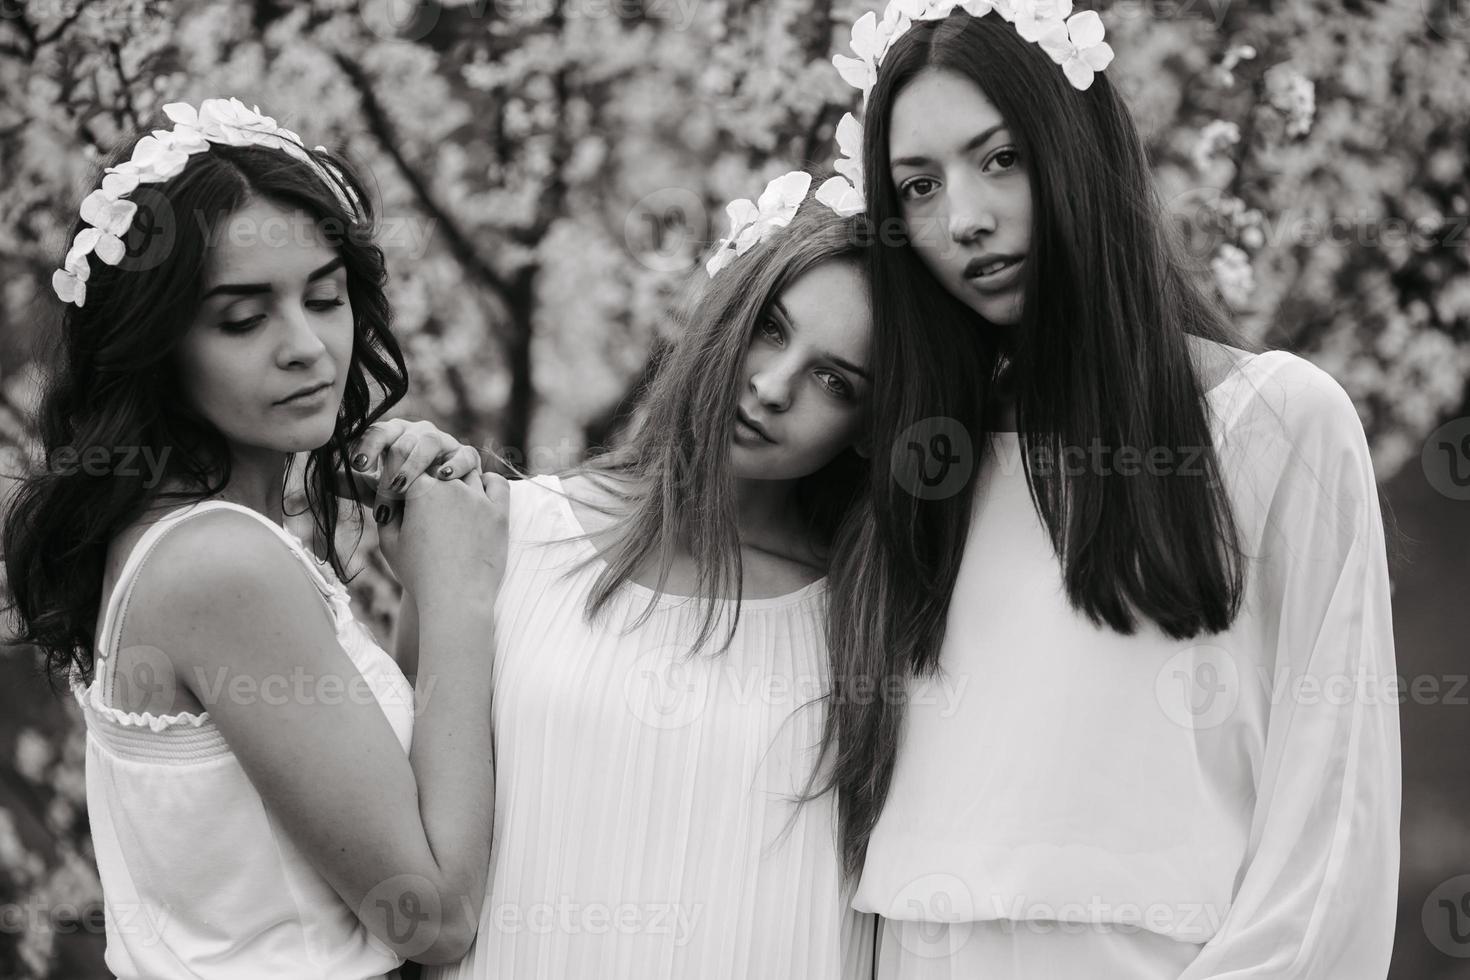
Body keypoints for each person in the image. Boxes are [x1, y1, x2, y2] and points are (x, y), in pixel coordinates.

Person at [808, 4, 1402, 977]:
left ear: (1076, 146)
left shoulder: (1276, 422)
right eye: (918, 186)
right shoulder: (914, 470)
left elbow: (1333, 821)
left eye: (1000, 158)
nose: (963, 218)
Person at [2, 98, 505, 979]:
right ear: (157, 347)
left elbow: (400, 793)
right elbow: (433, 920)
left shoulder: (205, 535)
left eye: (325, 297)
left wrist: (424, 565)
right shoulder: (221, 564)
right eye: (244, 319)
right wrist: (464, 593)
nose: (307, 347)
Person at [424, 174, 879, 979]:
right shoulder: (511, 533)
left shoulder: (866, 618)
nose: (772, 389)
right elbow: (423, 846)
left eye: (833, 381)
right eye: (770, 331)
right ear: (724, 314)